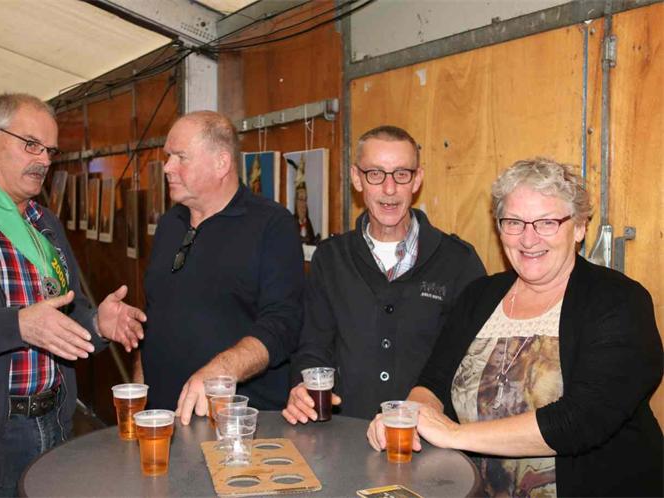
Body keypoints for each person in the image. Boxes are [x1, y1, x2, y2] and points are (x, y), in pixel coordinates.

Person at [367, 158, 663, 497]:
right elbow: (434, 383)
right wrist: (407, 416)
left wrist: (452, 434)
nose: (528, 238)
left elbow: (582, 420)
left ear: (580, 227)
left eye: (547, 222)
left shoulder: (619, 300)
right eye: (514, 222)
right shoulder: (479, 295)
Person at [0, 93, 147, 496]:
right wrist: (17, 325)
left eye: (50, 150)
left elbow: (65, 319)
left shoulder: (46, 223)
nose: (44, 160)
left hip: (54, 424)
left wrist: (97, 324)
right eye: (31, 144)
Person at [282, 125, 485, 423]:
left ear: (417, 179)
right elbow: (313, 347)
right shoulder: (330, 259)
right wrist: (303, 385)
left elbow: (477, 361)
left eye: (401, 174)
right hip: (345, 435)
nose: (389, 189)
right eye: (375, 174)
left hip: (429, 440)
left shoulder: (458, 261)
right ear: (356, 178)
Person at [142, 110, 304, 423]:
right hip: (165, 420)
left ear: (221, 163)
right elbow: (156, 312)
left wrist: (220, 372)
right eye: (168, 157)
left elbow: (283, 324)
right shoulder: (169, 224)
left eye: (180, 157)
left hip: (236, 423)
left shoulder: (272, 225)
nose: (168, 167)